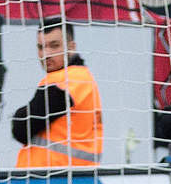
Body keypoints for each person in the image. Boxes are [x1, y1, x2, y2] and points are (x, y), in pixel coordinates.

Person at [11, 18, 103, 168]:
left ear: (72, 47)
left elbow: (21, 128)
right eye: (41, 47)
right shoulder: (81, 77)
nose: (46, 54)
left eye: (54, 46)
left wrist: (19, 114)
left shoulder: (69, 79)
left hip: (54, 178)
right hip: (68, 175)